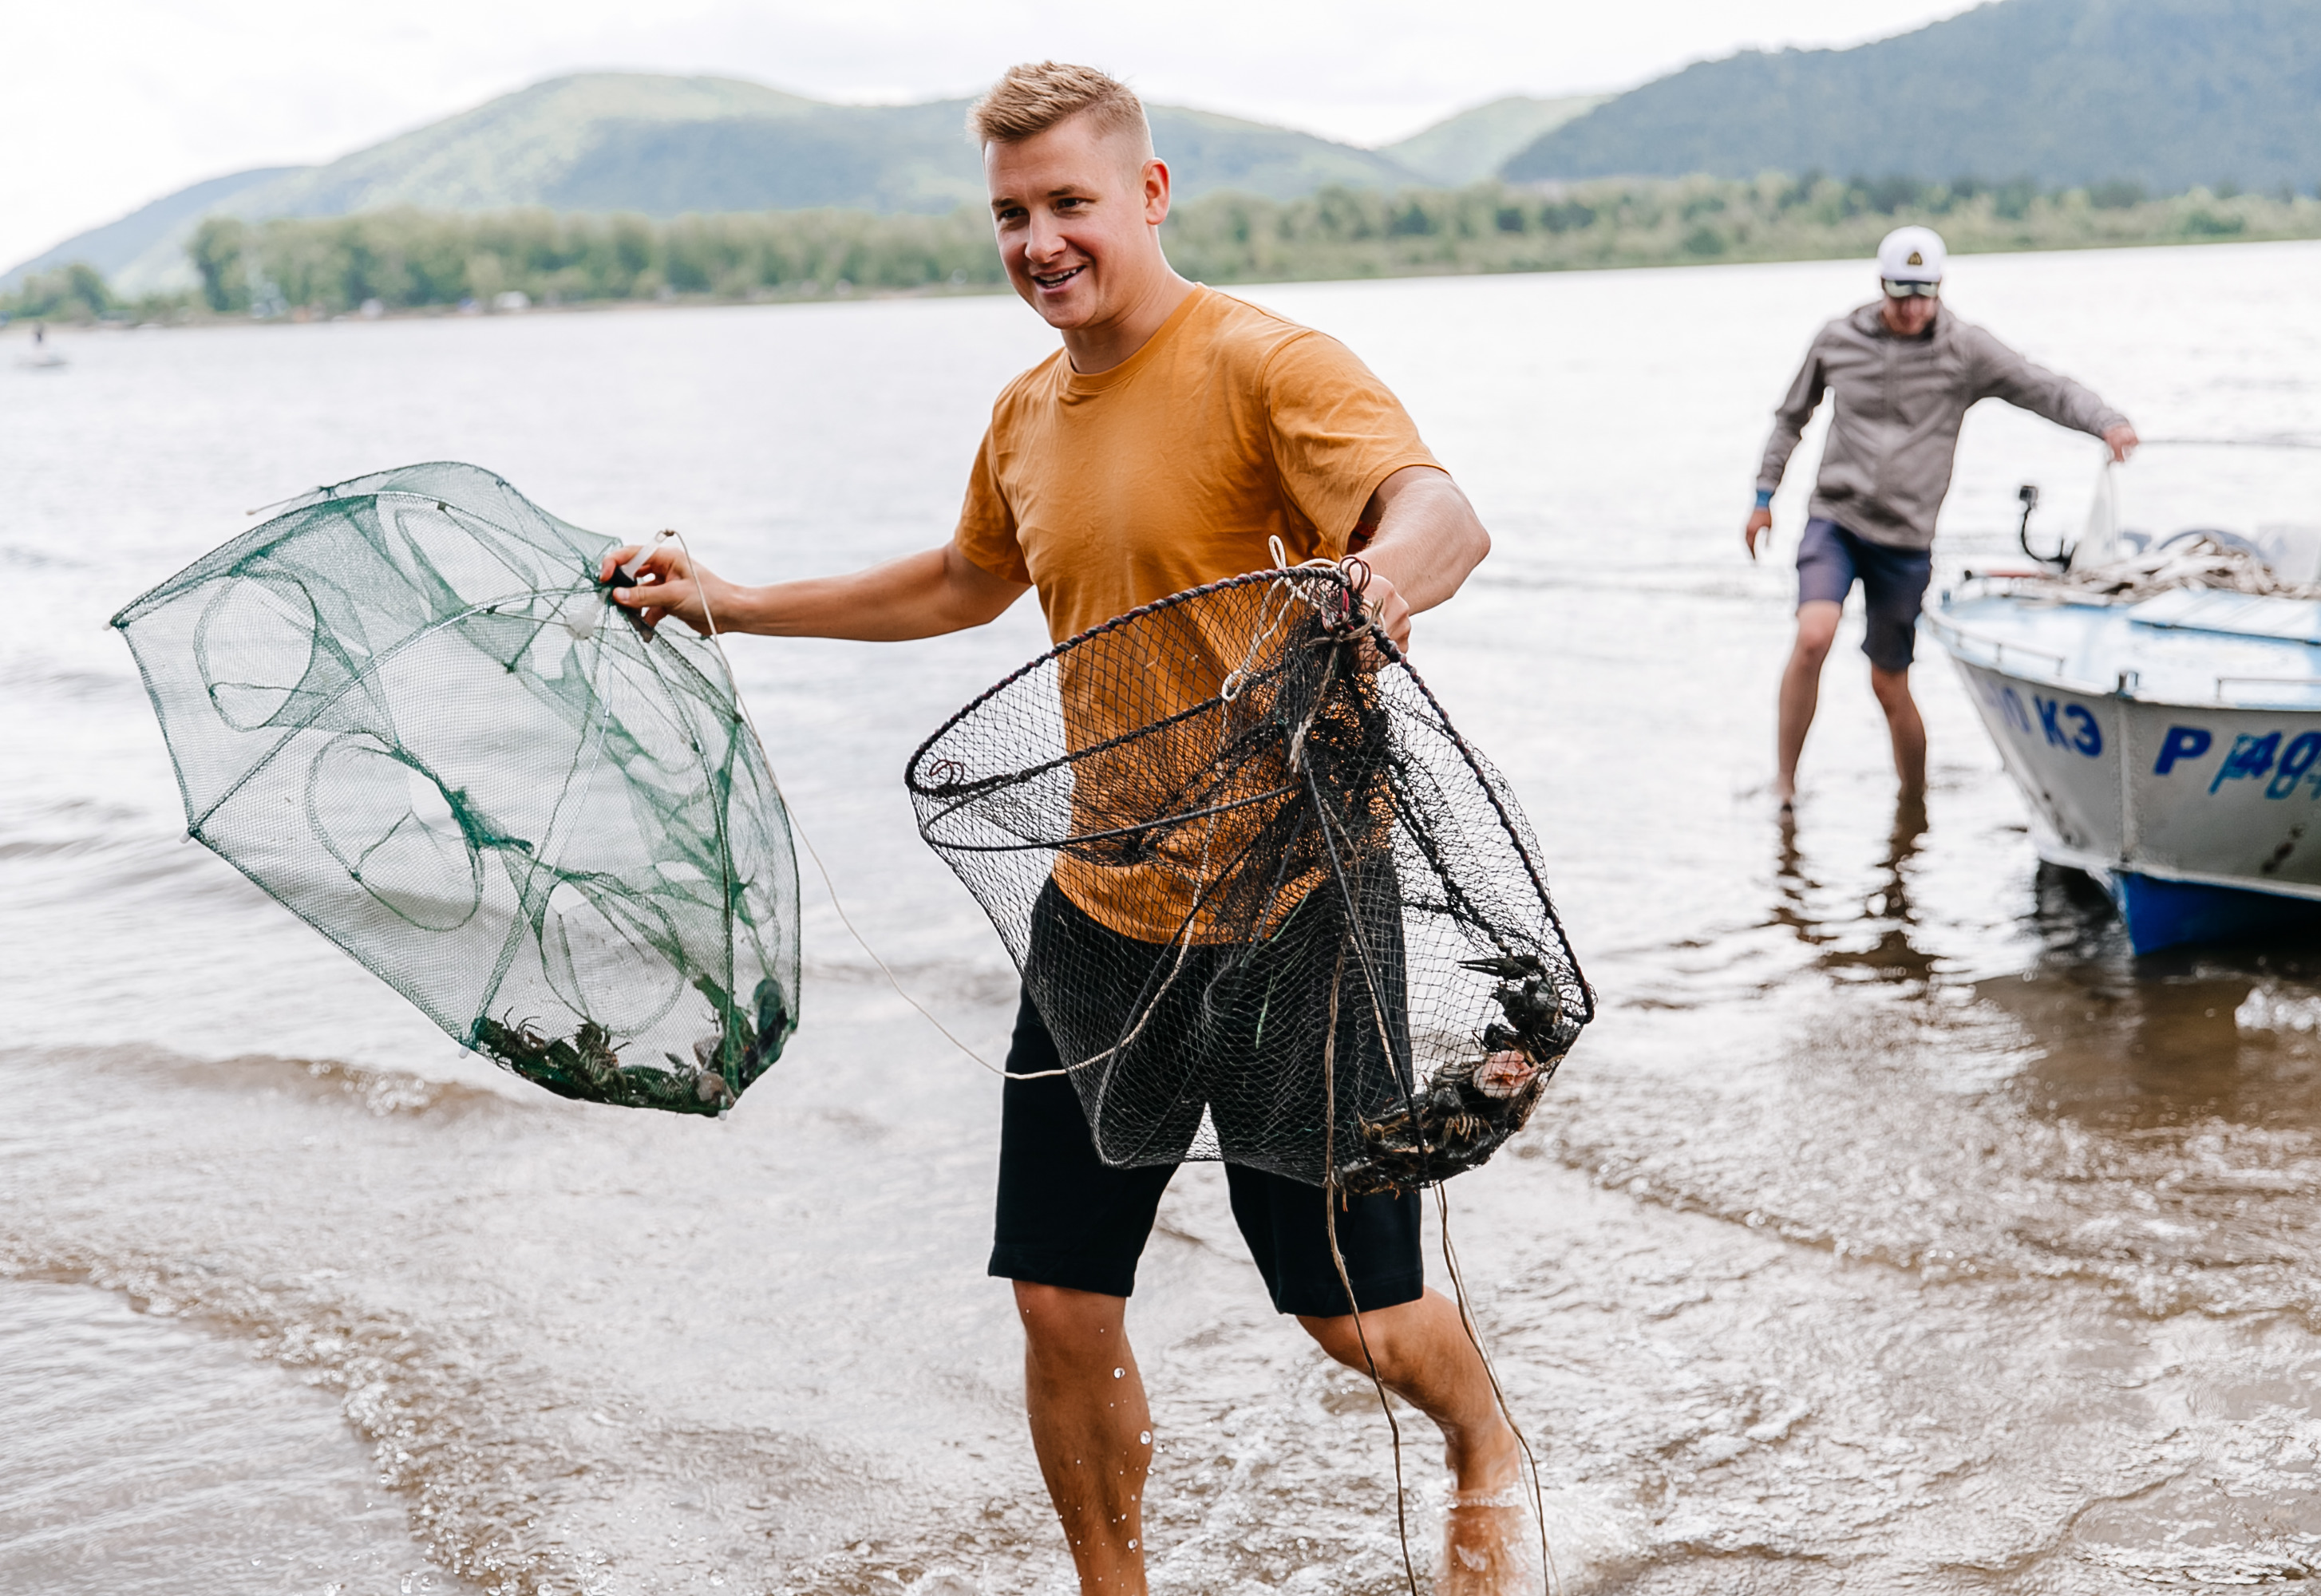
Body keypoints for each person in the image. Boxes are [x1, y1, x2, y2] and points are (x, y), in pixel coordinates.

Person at [602, 61, 1527, 1596]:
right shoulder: (1026, 412)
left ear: (1146, 195)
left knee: (1347, 1309)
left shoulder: (1267, 363)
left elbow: (1440, 511)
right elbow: (964, 582)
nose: (1040, 242)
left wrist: (1384, 582)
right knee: (1060, 1298)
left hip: (1299, 898)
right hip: (1101, 908)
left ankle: (1484, 1442)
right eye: (1012, 215)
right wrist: (733, 603)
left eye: (1070, 206)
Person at [1746, 224, 2138, 808]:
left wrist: (2105, 421)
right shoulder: (1838, 340)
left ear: (1940, 289)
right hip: (1837, 519)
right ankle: (1785, 784)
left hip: (1904, 539)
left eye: (1922, 294)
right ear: (1881, 287)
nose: (1910, 308)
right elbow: (1790, 418)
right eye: (1900, 294)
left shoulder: (1965, 350)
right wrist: (1763, 496)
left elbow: (2041, 386)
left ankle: (1914, 802)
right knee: (1813, 636)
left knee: (1889, 682)